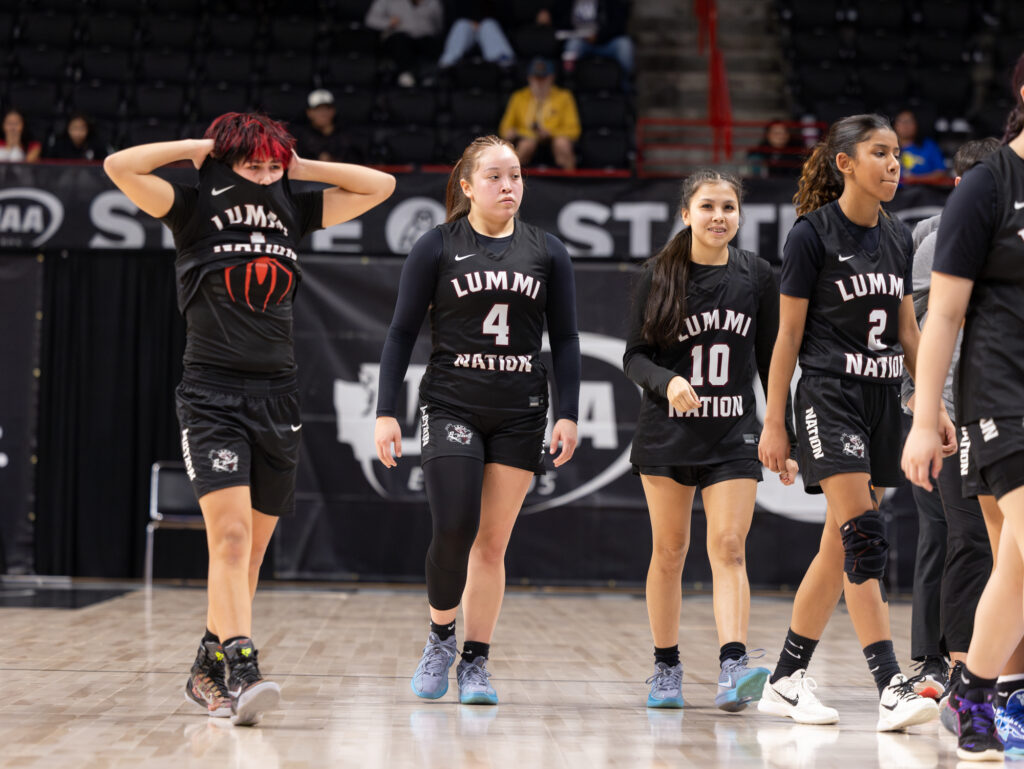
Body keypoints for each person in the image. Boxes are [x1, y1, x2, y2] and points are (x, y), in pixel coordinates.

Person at [103, 112, 395, 726]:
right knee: (230, 541)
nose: (264, 177)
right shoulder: (190, 207)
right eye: (252, 164)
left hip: (278, 397)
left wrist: (298, 166)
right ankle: (242, 667)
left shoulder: (292, 203)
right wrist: (202, 150)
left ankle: (204, 673)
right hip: (211, 395)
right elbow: (118, 166)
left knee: (251, 554)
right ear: (226, 161)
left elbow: (380, 186)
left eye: (271, 165)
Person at [757, 113, 954, 731]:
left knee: (837, 545)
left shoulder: (898, 237)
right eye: (880, 153)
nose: (895, 164)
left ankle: (786, 679)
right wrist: (773, 421)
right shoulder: (811, 236)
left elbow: (908, 332)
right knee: (864, 537)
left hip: (879, 399)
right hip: (827, 394)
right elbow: (787, 335)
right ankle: (890, 683)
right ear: (845, 163)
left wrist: (933, 404)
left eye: (897, 154)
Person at [374, 135, 581, 705]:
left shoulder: (548, 250)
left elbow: (564, 339)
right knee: (455, 526)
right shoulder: (436, 246)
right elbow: (400, 333)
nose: (508, 186)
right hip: (452, 404)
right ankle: (441, 635)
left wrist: (569, 413)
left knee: (492, 545)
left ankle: (476, 662)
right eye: (494, 176)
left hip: (520, 411)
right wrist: (386, 412)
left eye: (515, 175)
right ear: (467, 187)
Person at [623, 168, 796, 711]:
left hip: (732, 433)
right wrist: (667, 381)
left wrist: (779, 426)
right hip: (667, 434)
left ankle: (733, 665)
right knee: (670, 552)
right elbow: (634, 356)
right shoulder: (658, 275)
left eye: (728, 208)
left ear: (739, 216)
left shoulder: (757, 275)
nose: (719, 217)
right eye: (708, 207)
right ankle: (667, 667)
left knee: (728, 546)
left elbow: (773, 359)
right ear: (686, 214)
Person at [902, 52, 1024, 761]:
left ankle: (975, 690)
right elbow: (941, 314)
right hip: (999, 394)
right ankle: (978, 688)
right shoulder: (986, 186)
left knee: (1013, 555)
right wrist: (923, 417)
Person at [900, 138, 1000, 701]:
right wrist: (921, 404)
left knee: (966, 539)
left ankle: (962, 665)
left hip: (989, 416)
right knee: (954, 537)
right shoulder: (936, 240)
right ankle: (944, 663)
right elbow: (919, 330)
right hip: (942, 415)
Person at [498, 57, 581, 171]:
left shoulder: (564, 97)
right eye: (536, 78)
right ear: (529, 78)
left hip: (554, 138)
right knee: (526, 145)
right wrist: (516, 132)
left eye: (543, 78)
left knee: (562, 144)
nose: (539, 82)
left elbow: (574, 130)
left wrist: (550, 133)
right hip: (526, 138)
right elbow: (505, 128)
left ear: (552, 78)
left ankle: (571, 183)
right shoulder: (518, 97)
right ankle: (511, 184)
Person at [364, 0, 444, 87]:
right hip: (398, 37)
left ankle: (428, 76)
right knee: (400, 41)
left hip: (424, 38)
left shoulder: (433, 2)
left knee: (432, 43)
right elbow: (370, 20)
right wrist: (389, 22)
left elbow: (439, 26)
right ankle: (406, 74)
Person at [560, 0, 634, 78]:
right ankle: (568, 83)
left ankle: (626, 83)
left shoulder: (610, 2)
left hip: (607, 42)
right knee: (572, 46)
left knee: (624, 45)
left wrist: (598, 36)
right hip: (581, 41)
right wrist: (579, 34)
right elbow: (561, 21)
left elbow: (618, 25)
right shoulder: (569, 2)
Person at [438, 1, 515, 69]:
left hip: (486, 26)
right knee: (461, 25)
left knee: (488, 25)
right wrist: (472, 22)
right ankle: (447, 63)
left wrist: (479, 22)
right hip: (467, 27)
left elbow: (504, 14)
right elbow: (452, 16)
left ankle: (503, 63)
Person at [292, 89, 362, 164]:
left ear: (333, 111)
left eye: (327, 109)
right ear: (309, 113)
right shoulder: (301, 136)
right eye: (318, 109)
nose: (323, 114)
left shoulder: (346, 135)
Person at [893, 109, 948, 183]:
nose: (905, 125)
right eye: (901, 121)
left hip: (924, 190)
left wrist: (916, 179)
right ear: (895, 125)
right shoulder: (887, 147)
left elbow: (941, 172)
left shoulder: (929, 146)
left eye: (909, 121)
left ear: (916, 125)